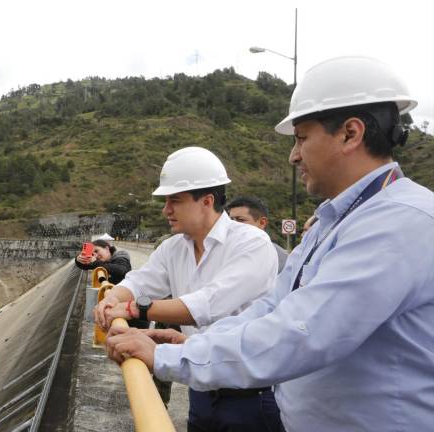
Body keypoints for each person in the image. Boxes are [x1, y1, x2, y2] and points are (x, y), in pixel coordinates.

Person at [105, 56, 434, 432]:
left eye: (301, 138)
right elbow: (273, 308)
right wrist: (188, 346)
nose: (294, 155)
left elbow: (300, 332)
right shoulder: (338, 220)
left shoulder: (399, 222)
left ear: (350, 134)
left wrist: (168, 356)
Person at [94, 146, 281, 431]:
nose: (165, 209)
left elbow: (208, 304)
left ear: (206, 201)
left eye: (175, 200)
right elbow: (141, 280)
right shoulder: (174, 248)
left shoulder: (251, 243)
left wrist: (132, 308)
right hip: (202, 388)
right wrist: (113, 297)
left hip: (249, 394)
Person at [227, 196, 289, 272]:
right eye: (231, 220)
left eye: (240, 220)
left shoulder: (279, 256)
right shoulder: (224, 250)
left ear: (262, 222)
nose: (233, 225)